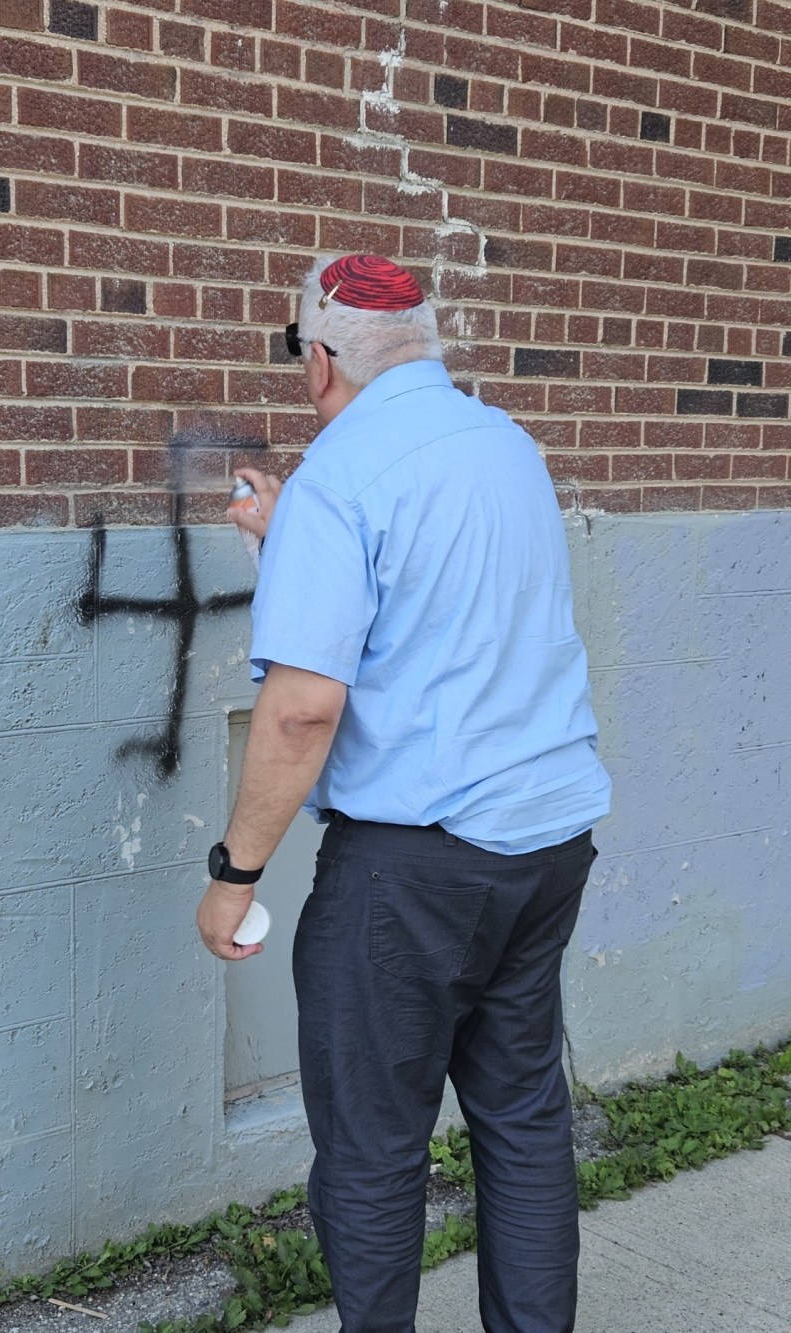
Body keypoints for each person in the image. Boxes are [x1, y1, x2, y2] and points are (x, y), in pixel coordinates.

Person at [196, 253, 611, 1333]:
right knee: (521, 1120)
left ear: (317, 362)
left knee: (375, 1149)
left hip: (412, 867)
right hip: (544, 843)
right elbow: (443, 610)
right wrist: (292, 543)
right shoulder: (506, 446)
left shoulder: (340, 476)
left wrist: (232, 876)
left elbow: (300, 710)